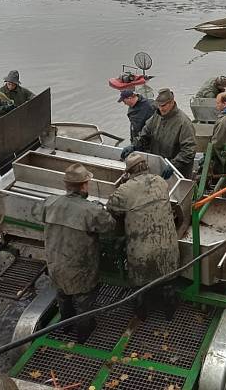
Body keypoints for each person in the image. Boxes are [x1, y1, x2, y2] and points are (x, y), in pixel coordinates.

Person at [43, 163, 114, 341]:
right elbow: (110, 226)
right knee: (84, 303)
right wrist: (98, 207)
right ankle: (83, 335)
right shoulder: (91, 210)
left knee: (63, 297)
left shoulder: (50, 202)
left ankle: (65, 327)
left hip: (55, 266)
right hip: (80, 271)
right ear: (84, 185)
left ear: (66, 185)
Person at [108, 153, 179, 319]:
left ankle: (141, 314)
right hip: (168, 249)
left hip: (141, 254)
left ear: (128, 172)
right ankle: (169, 312)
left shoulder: (124, 191)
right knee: (167, 281)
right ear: (146, 166)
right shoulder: (161, 182)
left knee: (139, 286)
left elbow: (111, 208)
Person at [121, 88, 197, 179]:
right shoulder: (157, 116)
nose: (161, 109)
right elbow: (145, 133)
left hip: (177, 172)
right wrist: (134, 145)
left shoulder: (184, 122)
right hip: (158, 165)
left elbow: (189, 150)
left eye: (164, 105)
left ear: (172, 102)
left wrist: (174, 165)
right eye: (159, 105)